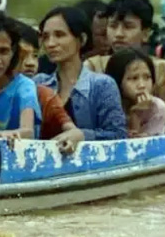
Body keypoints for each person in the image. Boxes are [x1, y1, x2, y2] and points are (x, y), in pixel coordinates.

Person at [35, 7, 127, 141]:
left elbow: (118, 135)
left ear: (82, 39)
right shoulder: (38, 83)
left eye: (59, 35)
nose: (50, 43)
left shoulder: (102, 85)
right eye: (46, 37)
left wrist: (82, 135)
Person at [85, 0, 165, 113]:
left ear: (145, 33)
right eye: (113, 26)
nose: (119, 34)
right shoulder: (93, 67)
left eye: (128, 27)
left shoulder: (160, 68)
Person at [15, 20, 83, 151]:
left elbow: (75, 132)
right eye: (22, 56)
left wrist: (67, 138)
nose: (30, 63)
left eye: (35, 56)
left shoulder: (43, 94)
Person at [105, 48, 165, 138]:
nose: (142, 85)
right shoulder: (107, 106)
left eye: (147, 77)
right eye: (134, 78)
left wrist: (137, 116)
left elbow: (145, 145)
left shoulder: (157, 107)